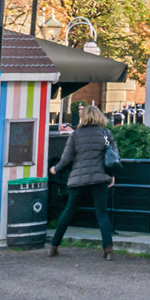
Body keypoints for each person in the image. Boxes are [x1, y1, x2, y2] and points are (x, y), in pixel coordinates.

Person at [48, 103, 118, 259]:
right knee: (102, 213)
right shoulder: (105, 133)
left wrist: (56, 168)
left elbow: (66, 158)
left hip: (79, 178)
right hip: (100, 178)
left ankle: (54, 245)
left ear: (83, 118)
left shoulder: (76, 135)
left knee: (68, 211)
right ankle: (108, 249)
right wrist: (111, 174)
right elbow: (113, 156)